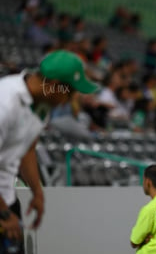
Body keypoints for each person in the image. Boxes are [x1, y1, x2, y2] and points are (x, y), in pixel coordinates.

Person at [0, 50, 98, 253]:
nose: (70, 99)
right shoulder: (5, 102)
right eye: (69, 92)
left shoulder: (41, 107)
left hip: (6, 198)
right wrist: (3, 214)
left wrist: (37, 191)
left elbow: (27, 150)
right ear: (53, 85)